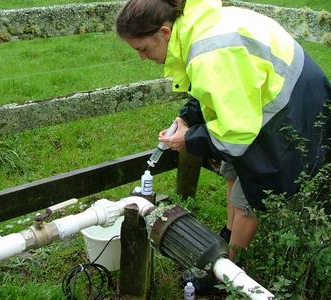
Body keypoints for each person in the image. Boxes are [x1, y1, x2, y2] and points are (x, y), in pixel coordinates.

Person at [116, 0, 331, 261]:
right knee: (232, 169)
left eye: (143, 48)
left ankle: (230, 270)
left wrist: (190, 138)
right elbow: (217, 90)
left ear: (164, 33)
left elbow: (235, 136)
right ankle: (229, 235)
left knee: (250, 190)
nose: (141, 56)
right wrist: (187, 118)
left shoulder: (209, 53)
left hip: (291, 107)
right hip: (266, 97)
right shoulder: (196, 28)